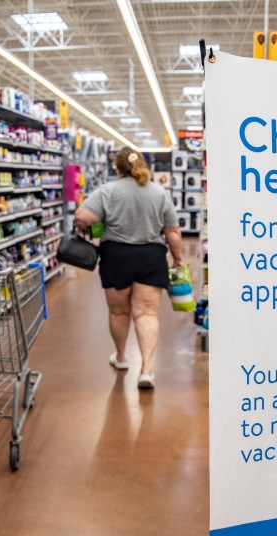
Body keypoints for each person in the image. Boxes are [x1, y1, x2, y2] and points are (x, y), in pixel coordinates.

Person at [74, 147, 184, 389]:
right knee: (146, 314)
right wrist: (178, 259)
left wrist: (99, 224)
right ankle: (146, 369)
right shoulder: (158, 192)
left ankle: (122, 358)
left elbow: (81, 217)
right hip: (151, 257)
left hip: (116, 257)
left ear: (118, 168)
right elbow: (172, 232)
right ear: (142, 165)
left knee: (119, 313)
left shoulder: (108, 191)